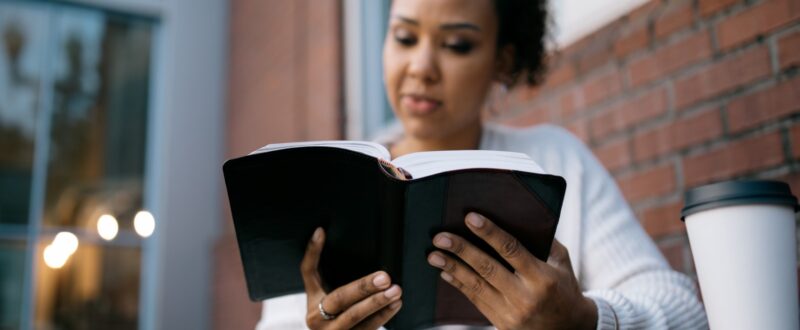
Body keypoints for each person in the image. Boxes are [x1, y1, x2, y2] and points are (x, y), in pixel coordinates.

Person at [256, 0, 708, 329]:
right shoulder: (331, 179)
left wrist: (585, 320)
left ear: (503, 61)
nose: (421, 66)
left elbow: (683, 308)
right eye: (405, 37)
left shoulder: (554, 160)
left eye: (456, 44)